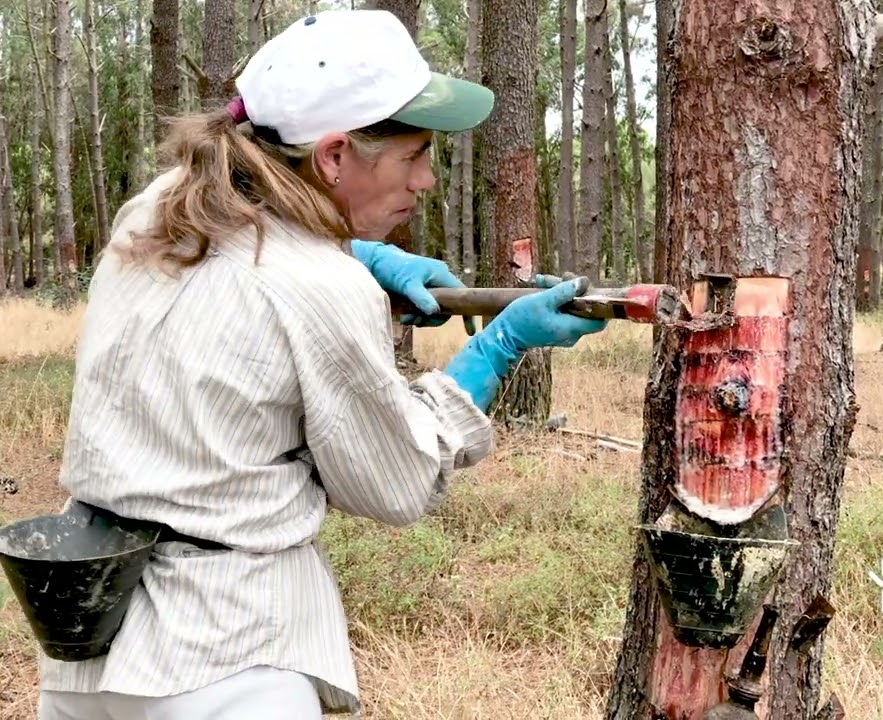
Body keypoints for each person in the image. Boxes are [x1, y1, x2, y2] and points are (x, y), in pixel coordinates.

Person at [33, 9, 606, 719]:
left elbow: (252, 247)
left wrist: (362, 254)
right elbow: (396, 481)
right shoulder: (323, 290)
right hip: (225, 661)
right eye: (415, 154)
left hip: (85, 647)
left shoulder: (153, 212)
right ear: (334, 156)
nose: (427, 180)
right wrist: (500, 345)